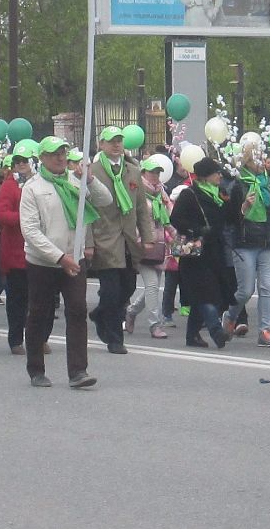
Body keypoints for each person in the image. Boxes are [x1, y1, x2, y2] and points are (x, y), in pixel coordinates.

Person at [19, 136, 112, 388]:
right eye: (53, 154)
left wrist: (89, 179)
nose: (60, 158)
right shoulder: (33, 188)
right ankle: (36, 369)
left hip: (75, 259)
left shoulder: (75, 181)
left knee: (77, 311)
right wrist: (59, 257)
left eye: (63, 153)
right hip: (44, 262)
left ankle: (78, 371)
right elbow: (30, 231)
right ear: (42, 158)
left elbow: (105, 200)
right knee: (39, 313)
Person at [89, 126, 155, 355]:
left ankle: (100, 314)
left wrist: (147, 237)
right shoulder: (93, 171)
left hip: (128, 240)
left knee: (127, 286)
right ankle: (115, 339)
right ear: (102, 145)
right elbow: (86, 212)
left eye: (119, 140)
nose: (116, 145)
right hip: (105, 239)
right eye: (111, 141)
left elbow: (141, 209)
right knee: (111, 290)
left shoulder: (132, 171)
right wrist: (89, 242)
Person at [170, 158, 237, 348]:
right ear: (206, 176)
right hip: (195, 252)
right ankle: (217, 331)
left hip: (215, 251)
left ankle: (192, 336)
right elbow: (176, 219)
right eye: (216, 173)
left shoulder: (220, 194)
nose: (220, 176)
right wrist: (198, 230)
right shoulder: (190, 194)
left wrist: (242, 204)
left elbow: (229, 217)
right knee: (206, 293)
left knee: (208, 294)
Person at [224, 142, 270, 348]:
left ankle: (264, 331)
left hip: (268, 241)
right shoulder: (237, 183)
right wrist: (243, 207)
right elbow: (228, 217)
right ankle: (230, 316)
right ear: (249, 160)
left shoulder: (267, 183)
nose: (263, 161)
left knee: (267, 287)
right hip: (244, 242)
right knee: (246, 290)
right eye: (258, 157)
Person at [0, 142, 35, 354]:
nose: (21, 165)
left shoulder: (39, 182)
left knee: (39, 299)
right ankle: (16, 339)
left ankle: (38, 337)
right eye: (17, 162)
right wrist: (25, 219)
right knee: (17, 300)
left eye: (25, 161)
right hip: (17, 252)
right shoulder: (9, 185)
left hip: (39, 251)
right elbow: (2, 214)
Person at [126, 159, 172, 339]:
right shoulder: (137, 191)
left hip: (160, 246)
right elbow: (133, 218)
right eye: (152, 172)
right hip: (143, 245)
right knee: (152, 285)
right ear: (143, 172)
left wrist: (175, 235)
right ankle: (155, 325)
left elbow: (167, 218)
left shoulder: (161, 192)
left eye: (158, 172)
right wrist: (139, 239)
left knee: (151, 288)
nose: (155, 176)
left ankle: (131, 311)